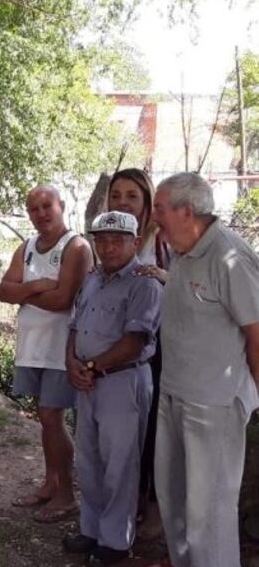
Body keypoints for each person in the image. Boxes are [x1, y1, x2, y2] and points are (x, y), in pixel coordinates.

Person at [151, 173, 259, 567]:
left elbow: (256, 331)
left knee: (209, 512)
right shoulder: (180, 250)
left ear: (186, 210)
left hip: (214, 404)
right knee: (175, 500)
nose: (154, 218)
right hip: (174, 395)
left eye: (160, 209)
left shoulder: (231, 256)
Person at [61, 211, 163, 565]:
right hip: (88, 383)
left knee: (120, 464)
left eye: (117, 240)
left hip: (123, 381)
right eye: (101, 239)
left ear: (135, 242)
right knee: (88, 459)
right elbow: (75, 328)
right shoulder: (93, 279)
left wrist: (89, 367)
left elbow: (135, 341)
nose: (108, 246)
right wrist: (72, 364)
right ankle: (91, 530)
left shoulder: (144, 282)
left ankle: (116, 542)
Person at [0, 185, 92, 522]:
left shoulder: (76, 247)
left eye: (46, 205)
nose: (40, 213)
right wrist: (38, 286)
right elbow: (3, 292)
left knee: (54, 419)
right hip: (31, 348)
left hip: (61, 350)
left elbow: (63, 300)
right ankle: (51, 483)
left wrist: (23, 293)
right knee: (45, 420)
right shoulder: (26, 248)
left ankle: (67, 495)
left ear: (60, 205)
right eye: (33, 208)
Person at [105, 168, 170, 538]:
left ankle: (156, 506)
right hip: (121, 346)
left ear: (146, 201)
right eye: (116, 195)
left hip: (160, 347)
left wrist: (162, 276)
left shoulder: (162, 240)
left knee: (155, 430)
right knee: (128, 430)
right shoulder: (109, 238)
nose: (123, 202)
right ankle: (128, 501)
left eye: (132, 195)